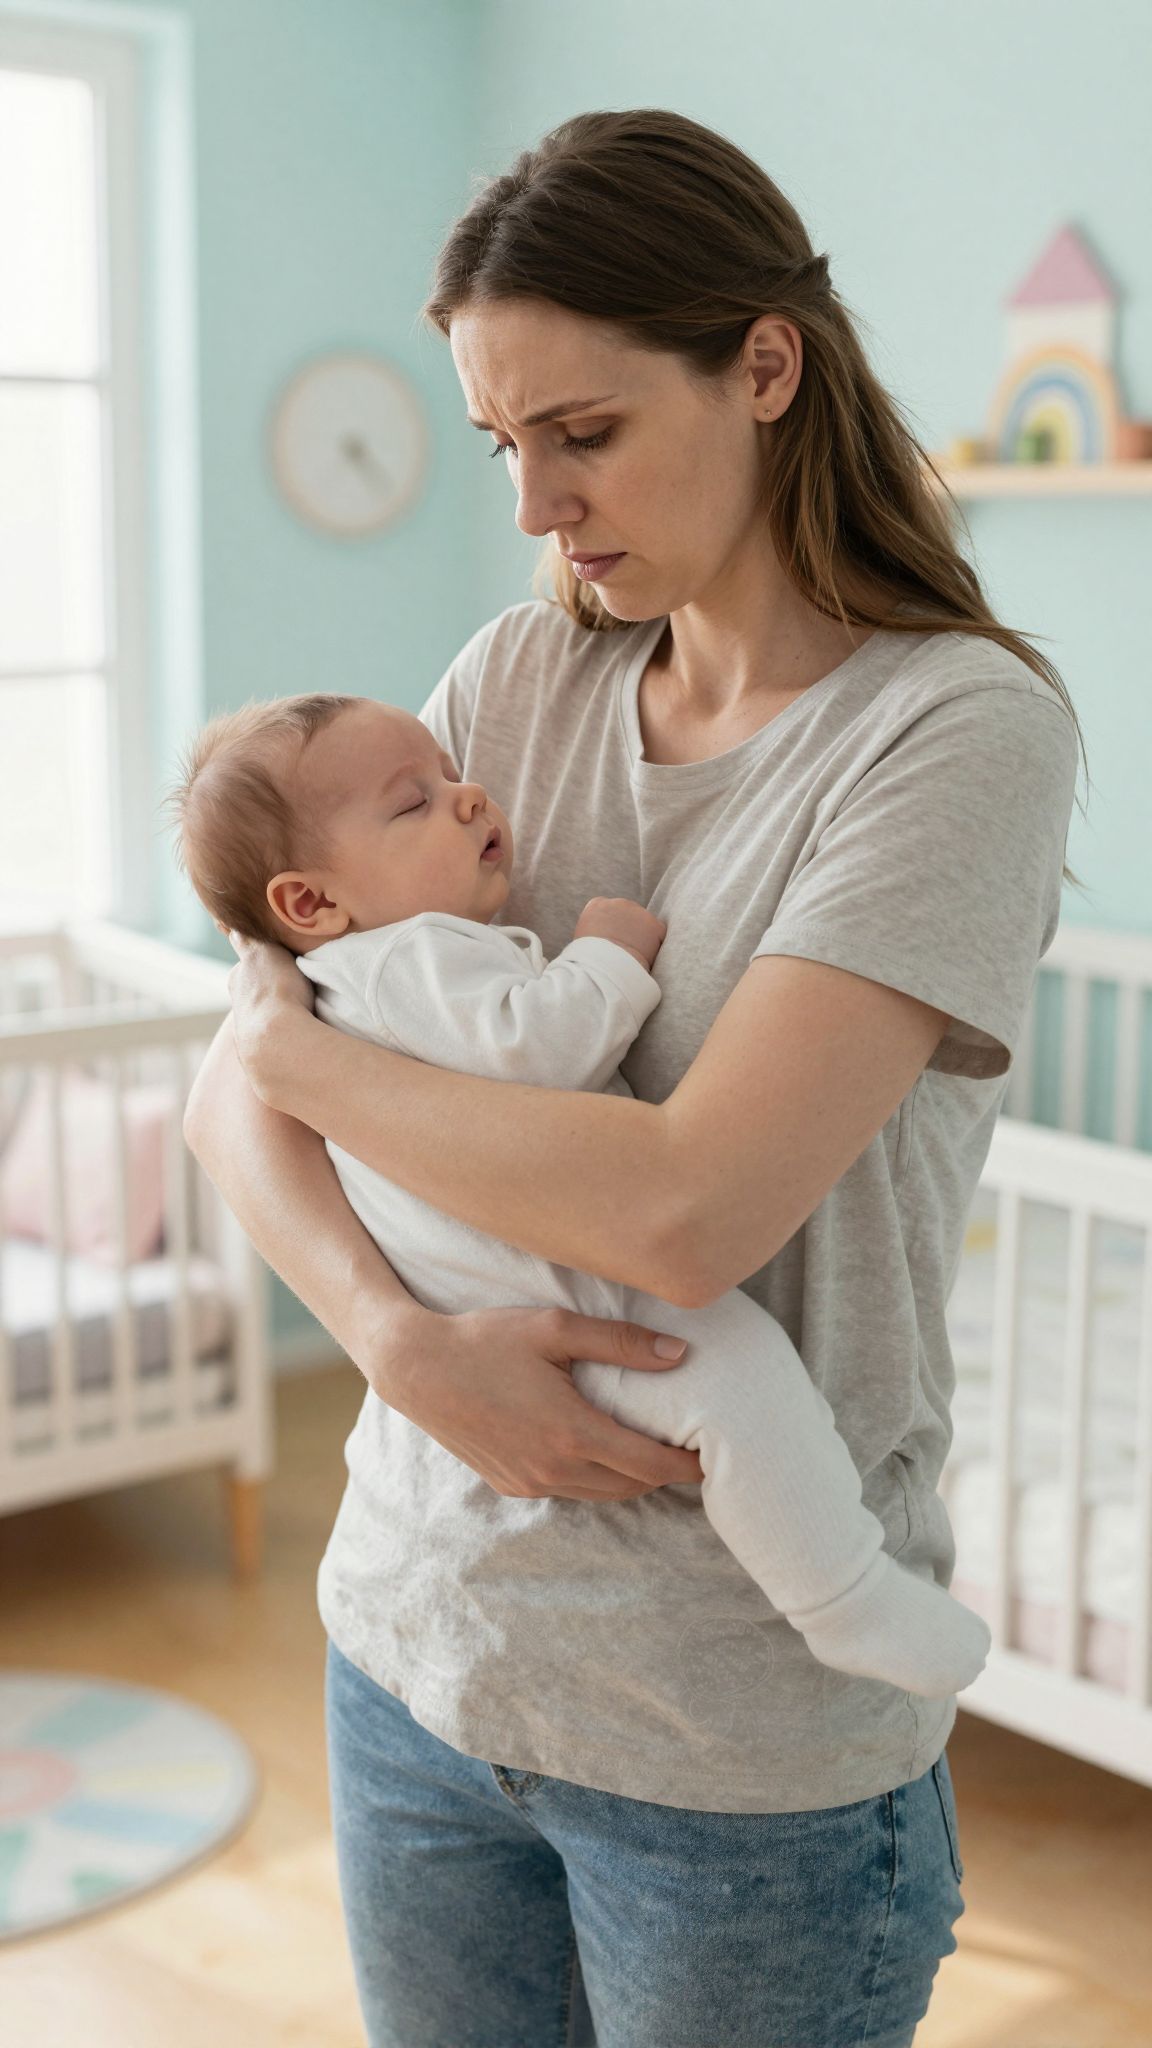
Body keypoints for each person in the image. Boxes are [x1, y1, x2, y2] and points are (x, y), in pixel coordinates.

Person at [183, 108, 1084, 2048]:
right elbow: (232, 1089)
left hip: (733, 1749)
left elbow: (686, 1211)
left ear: (763, 365)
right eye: (501, 443)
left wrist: (292, 1047)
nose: (535, 503)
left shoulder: (951, 731)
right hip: (415, 1651)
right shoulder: (518, 680)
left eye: (580, 431)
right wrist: (395, 1339)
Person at [168, 690, 992, 1699]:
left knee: (737, 1392)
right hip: (569, 1304)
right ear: (308, 905)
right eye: (415, 802)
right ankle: (845, 1596)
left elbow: (272, 1061)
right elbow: (541, 1047)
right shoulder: (403, 958)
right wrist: (607, 949)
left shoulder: (334, 978)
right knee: (742, 1383)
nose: (470, 796)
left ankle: (842, 1596)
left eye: (449, 774)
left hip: (519, 1322)